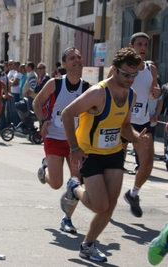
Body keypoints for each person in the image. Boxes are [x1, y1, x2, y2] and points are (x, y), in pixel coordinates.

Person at [60, 47, 147, 262]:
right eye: (126, 74)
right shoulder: (98, 92)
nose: (130, 79)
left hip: (114, 152)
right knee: (100, 205)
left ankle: (88, 245)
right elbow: (67, 113)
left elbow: (125, 125)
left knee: (111, 203)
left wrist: (136, 138)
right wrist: (73, 148)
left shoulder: (131, 94)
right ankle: (74, 188)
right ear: (115, 70)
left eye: (134, 75)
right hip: (89, 153)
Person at [33, 47, 90, 235]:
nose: (77, 60)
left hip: (76, 141)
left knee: (75, 182)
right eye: (72, 58)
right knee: (56, 183)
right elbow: (36, 102)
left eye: (79, 57)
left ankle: (67, 219)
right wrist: (43, 121)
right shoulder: (55, 84)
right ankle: (46, 169)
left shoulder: (87, 88)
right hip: (54, 136)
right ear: (64, 64)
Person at [118, 32, 161, 218]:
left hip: (142, 122)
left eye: (146, 45)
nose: (143, 48)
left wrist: (155, 94)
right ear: (131, 46)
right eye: (140, 44)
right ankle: (108, 199)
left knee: (147, 164)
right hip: (121, 122)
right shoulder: (120, 67)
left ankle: (133, 194)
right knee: (116, 165)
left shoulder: (151, 69)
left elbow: (152, 94)